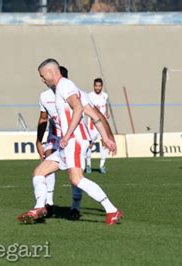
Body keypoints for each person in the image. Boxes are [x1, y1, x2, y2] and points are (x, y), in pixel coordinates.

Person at [18, 58, 122, 225]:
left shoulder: (64, 86)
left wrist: (66, 136)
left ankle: (112, 210)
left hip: (73, 141)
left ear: (51, 72)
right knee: (38, 173)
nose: (42, 79)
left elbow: (79, 109)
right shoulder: (70, 88)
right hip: (66, 143)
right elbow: (94, 115)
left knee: (77, 179)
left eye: (43, 75)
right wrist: (105, 138)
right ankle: (39, 207)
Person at [36, 66, 84, 220]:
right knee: (46, 166)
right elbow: (43, 118)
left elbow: (86, 112)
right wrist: (38, 140)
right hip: (54, 137)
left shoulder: (74, 93)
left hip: (72, 138)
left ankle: (75, 207)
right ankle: (48, 204)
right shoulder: (45, 96)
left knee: (75, 174)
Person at [86, 78, 110, 174]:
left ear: (101, 86)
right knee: (90, 145)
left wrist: (107, 113)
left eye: (99, 86)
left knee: (105, 143)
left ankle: (102, 165)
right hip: (92, 124)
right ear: (94, 86)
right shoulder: (89, 96)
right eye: (96, 85)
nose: (97, 88)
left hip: (103, 123)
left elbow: (106, 105)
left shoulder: (105, 95)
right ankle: (88, 165)